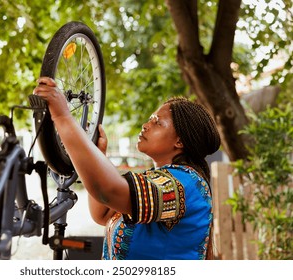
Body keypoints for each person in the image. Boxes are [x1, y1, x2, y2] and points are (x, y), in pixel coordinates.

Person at [33, 77, 221, 260]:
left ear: (180, 141)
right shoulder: (160, 178)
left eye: (157, 122)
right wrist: (99, 154)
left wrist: (63, 116)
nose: (146, 125)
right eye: (150, 119)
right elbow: (103, 214)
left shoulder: (184, 183)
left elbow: (109, 191)